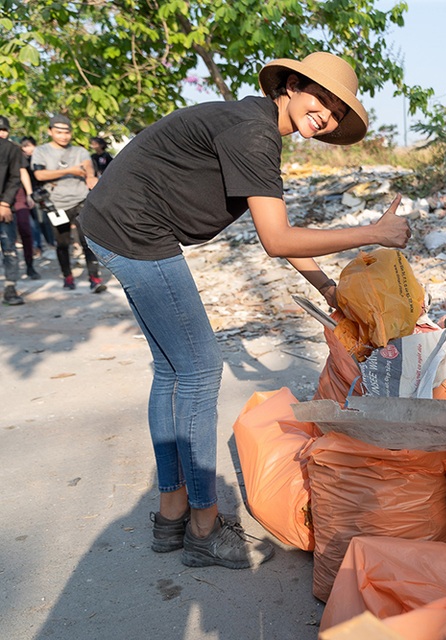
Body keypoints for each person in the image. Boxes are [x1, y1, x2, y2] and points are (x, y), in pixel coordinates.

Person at [79, 52, 411, 570]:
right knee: (199, 371)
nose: (324, 115)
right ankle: (204, 529)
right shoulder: (254, 134)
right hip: (136, 231)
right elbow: (277, 240)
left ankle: (172, 516)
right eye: (320, 98)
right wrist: (377, 234)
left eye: (335, 113)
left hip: (116, 223)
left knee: (172, 370)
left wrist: (325, 285)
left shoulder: (254, 126)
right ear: (294, 86)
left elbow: (274, 228)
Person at [32, 115, 106, 292]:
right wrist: (70, 170)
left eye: (67, 132)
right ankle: (68, 277)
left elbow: (87, 166)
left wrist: (89, 176)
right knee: (63, 243)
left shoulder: (79, 151)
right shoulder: (41, 151)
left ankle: (94, 278)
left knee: (87, 241)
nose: (63, 136)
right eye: (58, 132)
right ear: (50, 132)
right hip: (55, 204)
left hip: (81, 200)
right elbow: (39, 175)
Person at [0, 120, 40, 280]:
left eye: (4, 129)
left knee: (25, 228)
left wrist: (29, 194)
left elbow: (21, 172)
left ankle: (29, 265)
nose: (1, 132)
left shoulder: (13, 149)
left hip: (16, 195)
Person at [0, 116, 25, 305]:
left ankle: (10, 288)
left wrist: (5, 203)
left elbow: (15, 178)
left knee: (9, 249)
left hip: (3, 207)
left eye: (4, 130)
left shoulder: (11, 149)